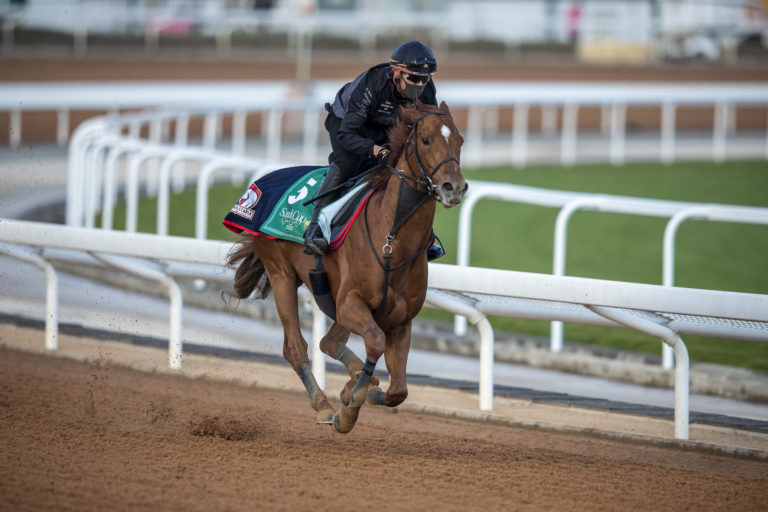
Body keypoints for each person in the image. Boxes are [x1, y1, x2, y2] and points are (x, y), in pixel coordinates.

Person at [303, 40, 445, 260]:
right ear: (397, 72)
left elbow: (428, 127)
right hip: (346, 124)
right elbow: (346, 134)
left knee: (408, 169)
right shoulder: (373, 83)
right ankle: (315, 228)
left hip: (385, 127)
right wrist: (374, 150)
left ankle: (425, 236)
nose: (419, 85)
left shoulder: (426, 91)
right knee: (348, 163)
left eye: (424, 80)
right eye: (414, 78)